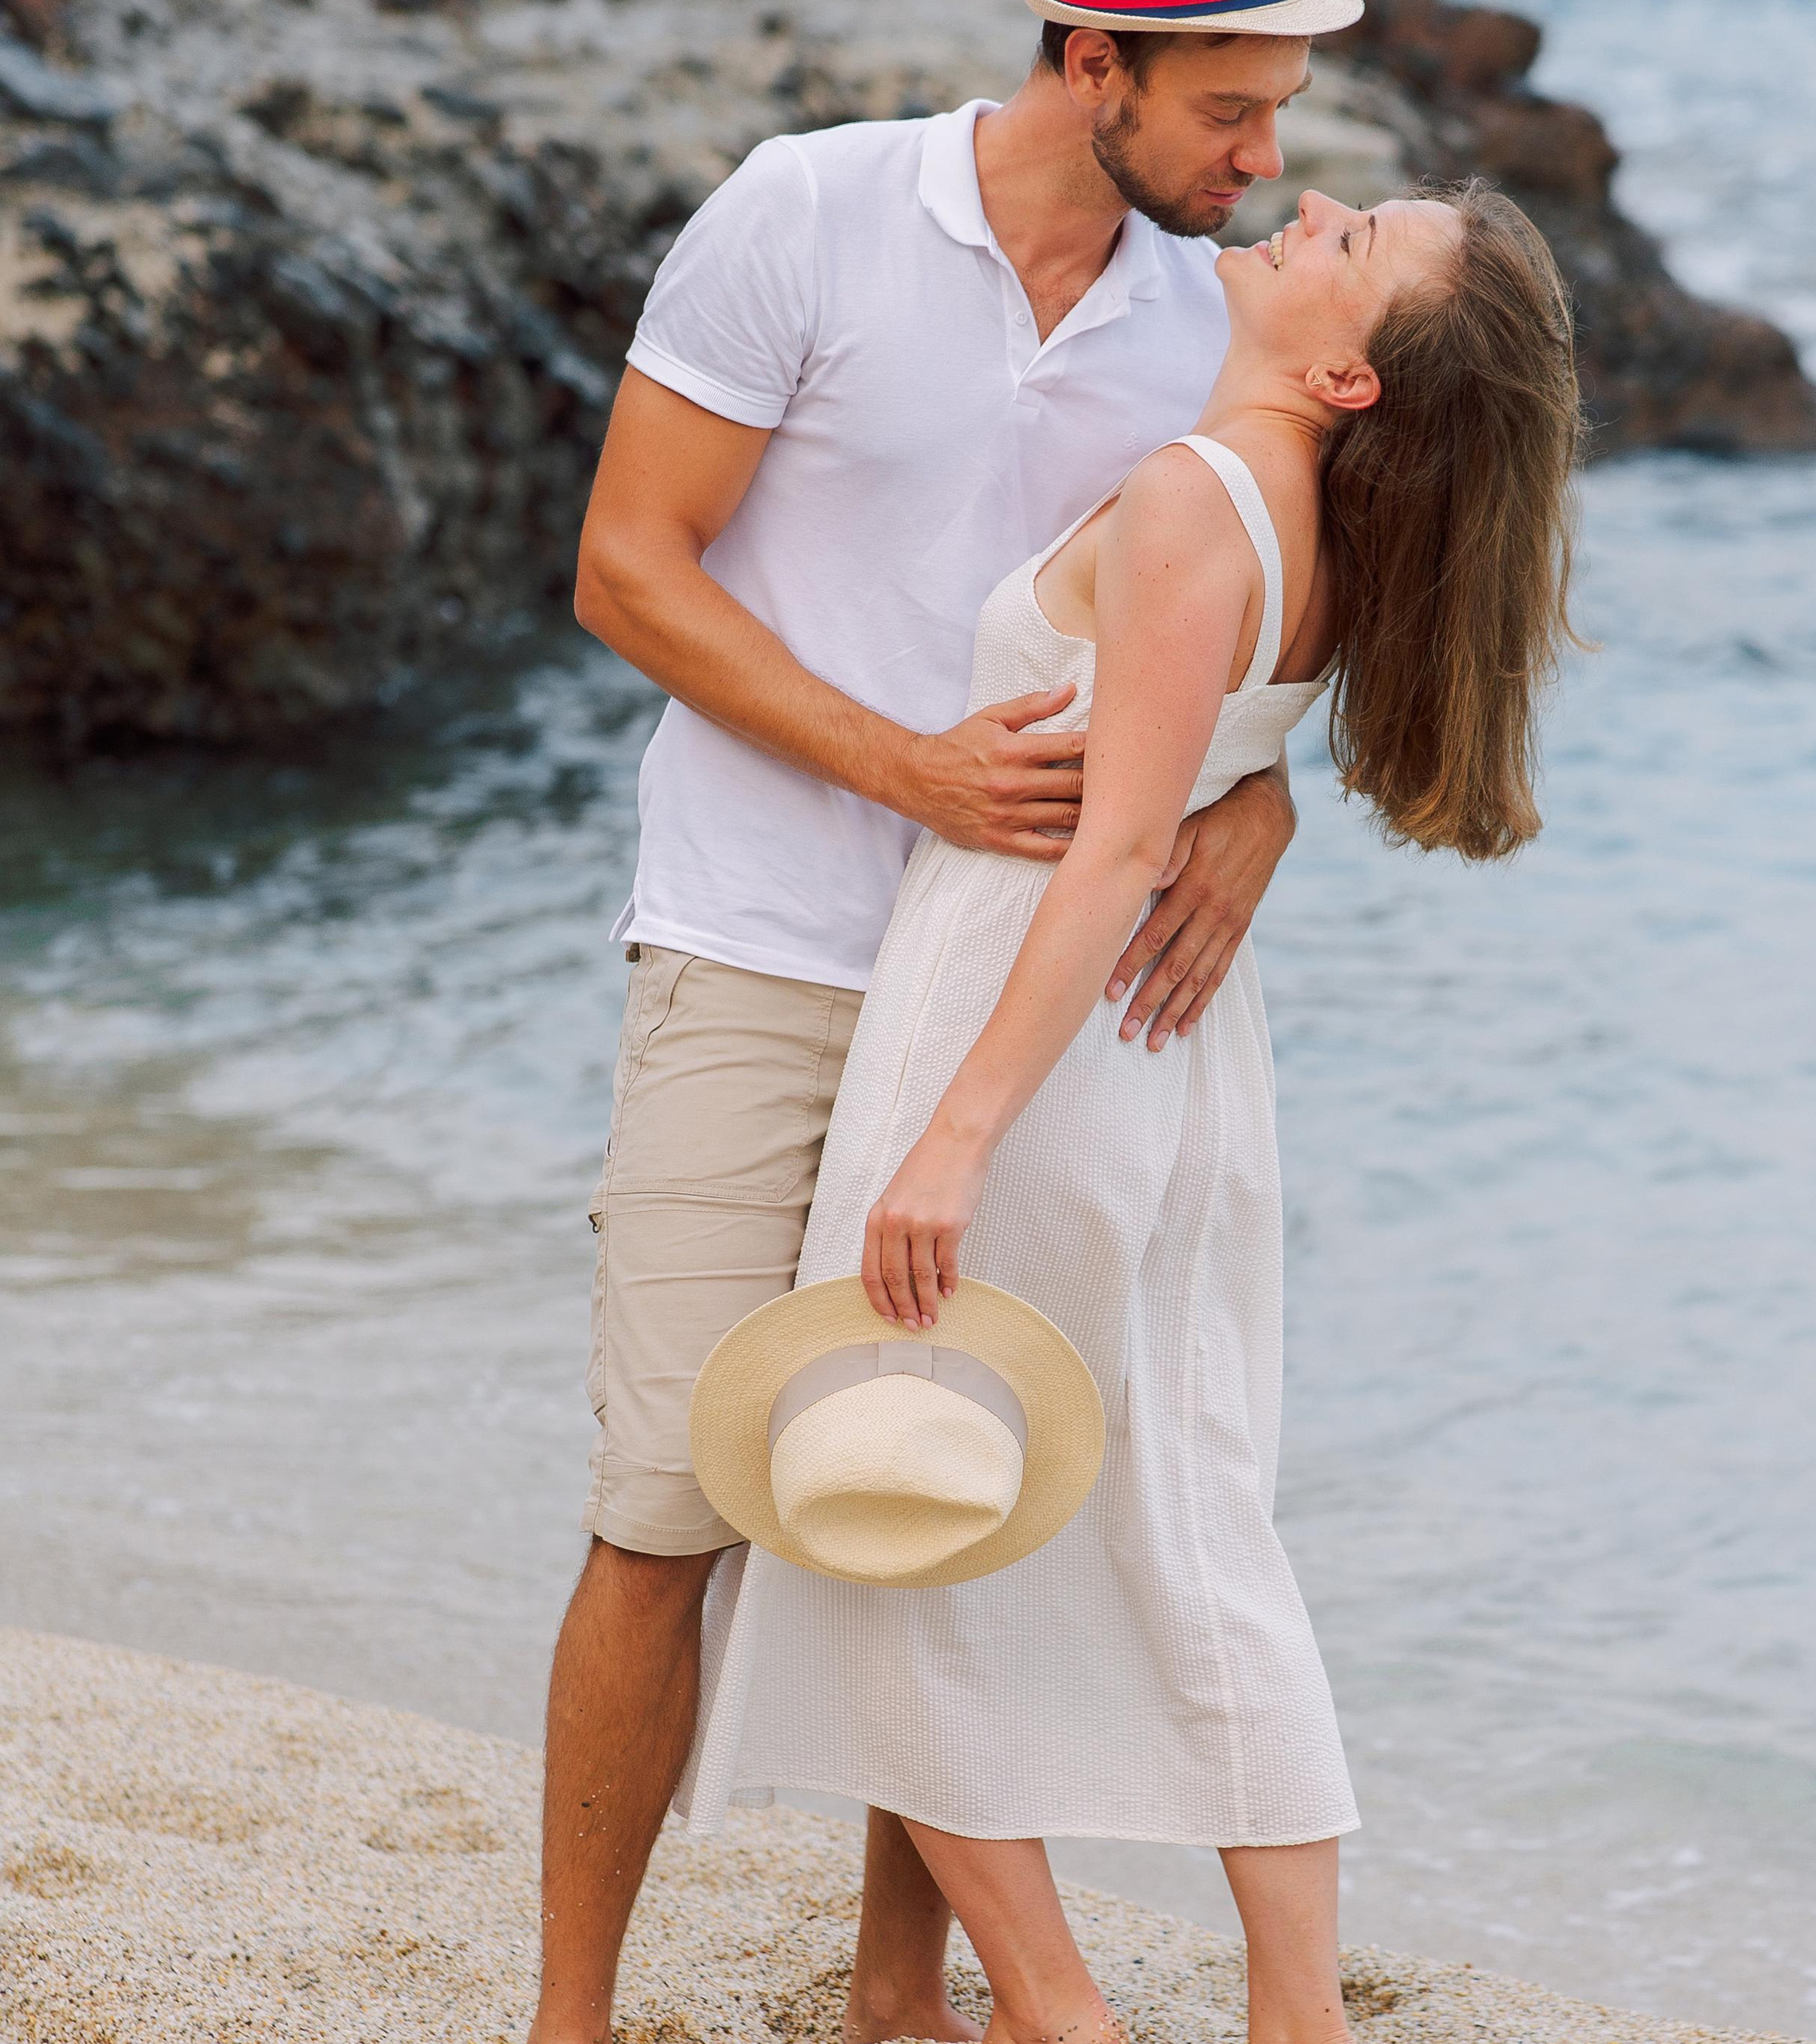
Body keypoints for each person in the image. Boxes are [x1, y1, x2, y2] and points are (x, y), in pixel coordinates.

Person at [676, 158, 1583, 2043]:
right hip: (1176, 1061)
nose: (1309, 199)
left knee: (888, 1518)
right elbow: (1198, 783)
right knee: (1187, 1519)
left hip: (1019, 1020)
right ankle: (1292, 2011)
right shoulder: (1326, 532)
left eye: (1352, 241)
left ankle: (1060, 2006)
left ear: (1351, 379)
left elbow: (1101, 859)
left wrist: (948, 1133)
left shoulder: (1196, 496)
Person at [533, 9, 1363, 2042]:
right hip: (757, 939)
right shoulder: (806, 212)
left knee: (941, 1484)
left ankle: (901, 1996)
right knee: (669, 1505)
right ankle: (564, 2019)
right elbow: (626, 568)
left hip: (1012, 999)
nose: (1260, 158)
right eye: (1229, 111)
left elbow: (1251, 617)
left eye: (1277, 118)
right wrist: (900, 765)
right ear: (1096, 63)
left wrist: (1262, 801)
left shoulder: (1210, 319)